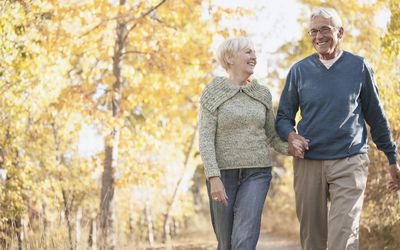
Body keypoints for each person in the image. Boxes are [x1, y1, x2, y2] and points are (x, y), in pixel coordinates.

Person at [275, 7, 400, 250]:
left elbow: (376, 116)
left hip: (350, 159)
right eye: (313, 31)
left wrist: (392, 158)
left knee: (343, 236)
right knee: (312, 238)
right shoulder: (299, 71)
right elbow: (282, 117)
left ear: (339, 32)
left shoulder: (359, 67)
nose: (318, 36)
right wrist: (291, 136)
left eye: (325, 29)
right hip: (309, 160)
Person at [199, 37, 303, 250]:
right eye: (248, 52)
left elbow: (272, 136)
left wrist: (292, 148)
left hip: (257, 173)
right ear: (229, 58)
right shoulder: (213, 92)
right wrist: (213, 177)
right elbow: (206, 138)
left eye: (254, 52)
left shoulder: (262, 93)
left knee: (244, 240)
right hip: (222, 175)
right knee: (226, 243)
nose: (254, 56)